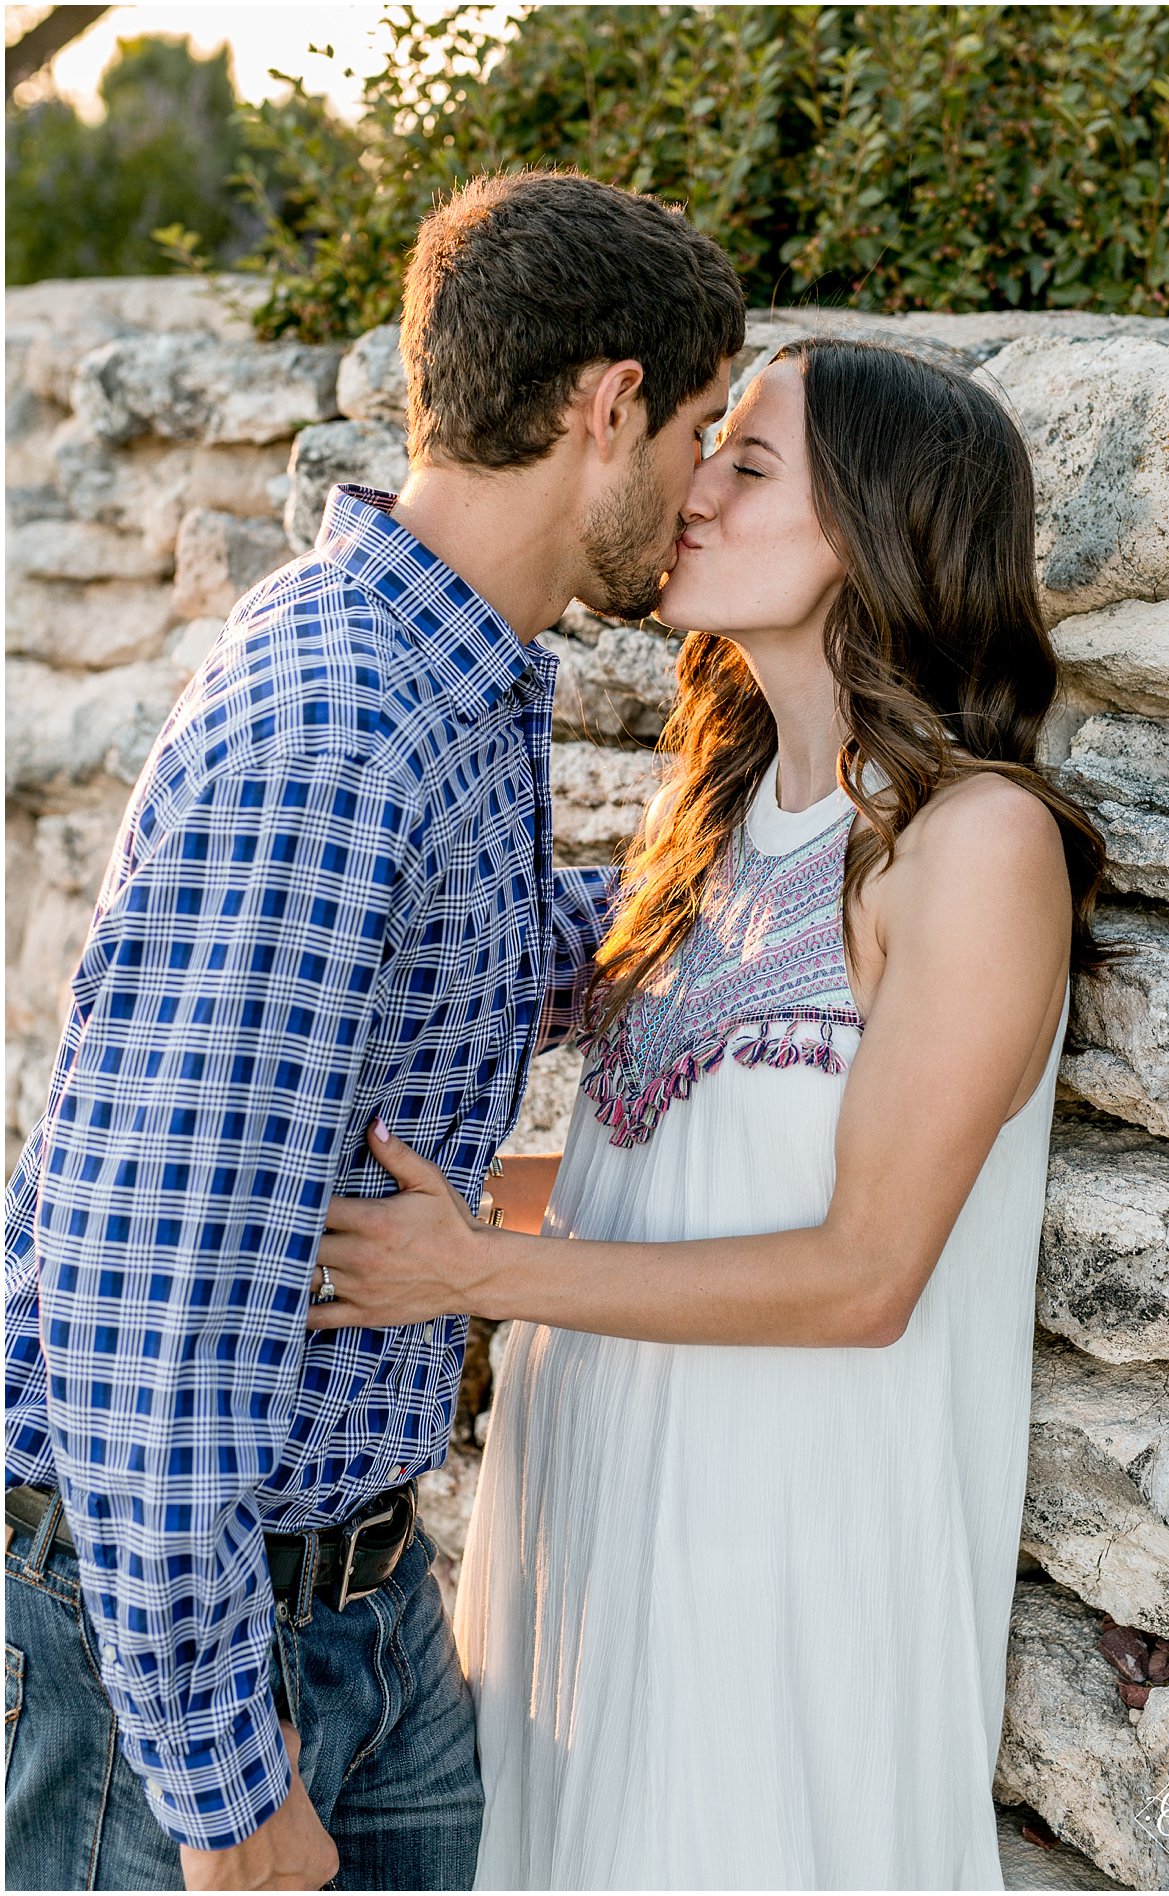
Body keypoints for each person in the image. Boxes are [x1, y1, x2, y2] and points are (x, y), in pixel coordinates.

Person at [3, 168, 744, 1893]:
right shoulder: (337, 731)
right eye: (706, 428)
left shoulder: (459, 673)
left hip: (364, 1604)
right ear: (608, 404)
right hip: (190, 1657)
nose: (706, 486)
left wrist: (776, 864)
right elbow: (147, 1290)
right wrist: (216, 1784)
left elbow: (484, 963)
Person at [305, 336, 1114, 1890]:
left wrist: (474, 1271)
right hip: (590, 1529)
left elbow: (865, 1275)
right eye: (708, 447)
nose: (694, 490)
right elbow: (657, 1181)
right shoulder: (719, 821)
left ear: (879, 527)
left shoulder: (973, 843)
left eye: (751, 465)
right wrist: (399, 1219)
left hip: (779, 1558)